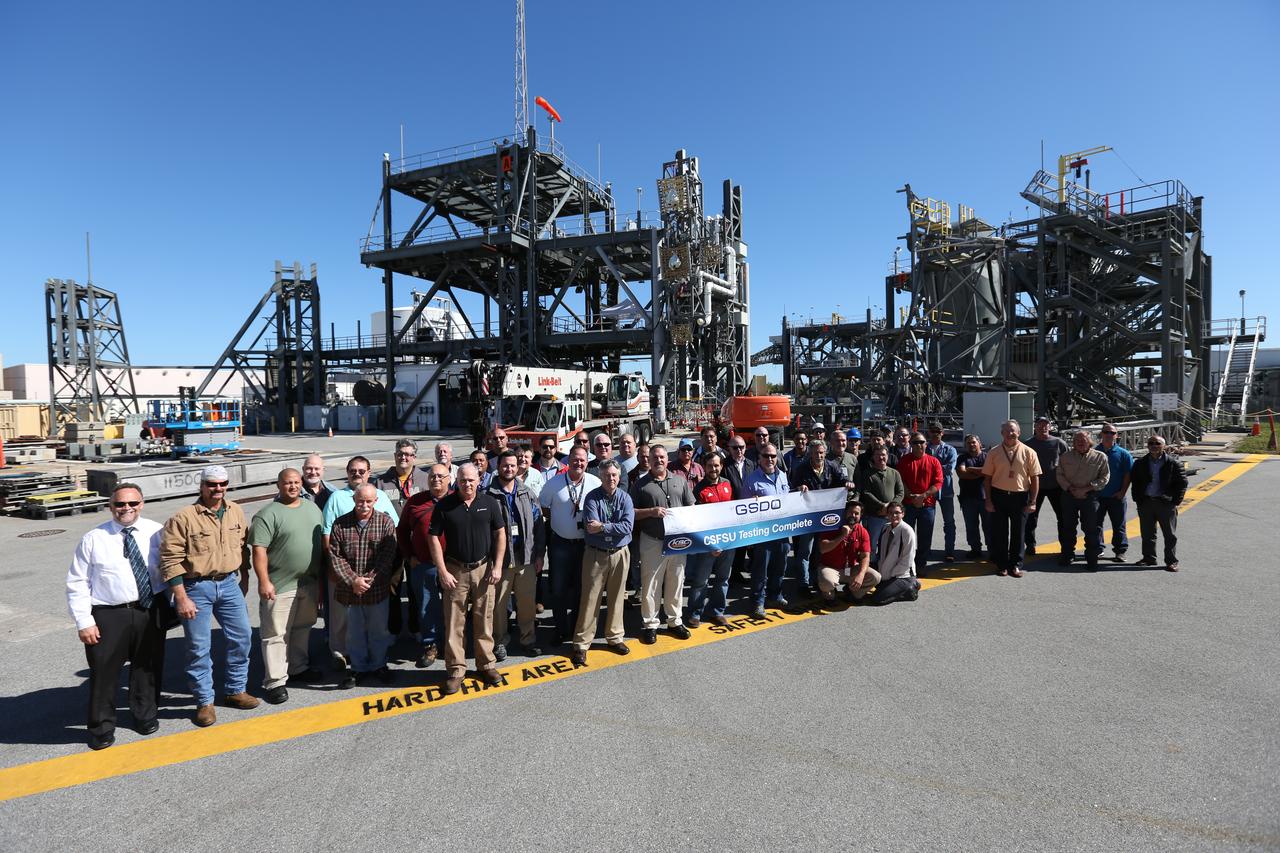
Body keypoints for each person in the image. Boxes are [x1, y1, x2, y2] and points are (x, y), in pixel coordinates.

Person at [67, 482, 169, 749]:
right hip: (108, 615)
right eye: (120, 504)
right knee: (104, 673)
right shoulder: (94, 538)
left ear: (142, 504)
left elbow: (170, 568)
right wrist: (84, 621)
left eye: (132, 503)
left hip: (149, 608)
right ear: (110, 506)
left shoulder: (156, 532)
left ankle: (145, 714)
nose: (126, 508)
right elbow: (77, 582)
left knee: (147, 668)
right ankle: (101, 727)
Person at [160, 465, 257, 727]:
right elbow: (170, 560)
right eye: (212, 484)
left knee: (243, 637)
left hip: (228, 584)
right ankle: (205, 702)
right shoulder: (184, 518)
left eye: (222, 484)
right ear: (201, 486)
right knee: (198, 647)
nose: (218, 489)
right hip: (196, 588)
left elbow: (243, 548)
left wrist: (245, 578)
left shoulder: (235, 511)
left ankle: (236, 690)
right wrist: (180, 596)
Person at [427, 464, 507, 694]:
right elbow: (433, 537)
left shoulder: (489, 503)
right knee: (454, 622)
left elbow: (500, 533)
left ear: (479, 479)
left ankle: (486, 664)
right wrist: (442, 571)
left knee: (484, 618)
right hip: (456, 570)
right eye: (463, 480)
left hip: (484, 569)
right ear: (456, 480)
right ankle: (455, 670)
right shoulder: (445, 505)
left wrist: (498, 566)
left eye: (471, 480)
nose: (467, 484)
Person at [249, 468, 323, 705]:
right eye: (287, 483)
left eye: (295, 482)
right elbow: (258, 550)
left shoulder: (312, 508)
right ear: (278, 485)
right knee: (275, 634)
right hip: (280, 585)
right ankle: (275, 681)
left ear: (301, 483)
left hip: (308, 582)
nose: (292, 486)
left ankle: (298, 668)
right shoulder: (267, 514)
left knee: (303, 627)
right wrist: (264, 581)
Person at [321, 456, 399, 669]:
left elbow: (388, 553)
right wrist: (353, 580)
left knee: (378, 630)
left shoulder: (385, 522)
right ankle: (358, 667)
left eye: (368, 501)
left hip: (377, 587)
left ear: (376, 501)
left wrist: (369, 579)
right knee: (353, 632)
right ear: (354, 500)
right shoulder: (340, 524)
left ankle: (379, 664)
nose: (364, 505)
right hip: (350, 589)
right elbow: (335, 555)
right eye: (360, 501)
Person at [572, 459, 634, 664]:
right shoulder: (591, 498)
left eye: (614, 475)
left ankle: (615, 637)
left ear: (619, 476)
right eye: (607, 475)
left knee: (617, 597)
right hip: (596, 555)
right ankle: (581, 644)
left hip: (620, 553)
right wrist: (608, 527)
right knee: (590, 598)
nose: (611, 479)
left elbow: (627, 527)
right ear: (601, 476)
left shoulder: (625, 498)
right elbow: (590, 526)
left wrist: (604, 527)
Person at [632, 444, 696, 643]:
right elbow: (630, 512)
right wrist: (650, 512)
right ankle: (650, 624)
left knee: (676, 582)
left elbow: (691, 507)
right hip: (652, 541)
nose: (658, 460)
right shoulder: (640, 484)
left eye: (662, 457)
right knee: (651, 584)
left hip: (678, 542)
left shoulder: (680, 480)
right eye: (654, 458)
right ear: (648, 461)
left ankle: (674, 621)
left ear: (667, 459)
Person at [486, 450, 546, 660]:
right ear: (498, 467)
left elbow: (539, 526)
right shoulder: (487, 495)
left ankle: (528, 639)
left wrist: (540, 554)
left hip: (526, 559)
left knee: (527, 603)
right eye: (505, 465)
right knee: (499, 606)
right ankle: (500, 642)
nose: (509, 469)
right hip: (500, 562)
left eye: (513, 465)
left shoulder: (527, 493)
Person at [539, 446, 601, 644]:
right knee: (558, 588)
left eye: (582, 460)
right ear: (568, 460)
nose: (579, 463)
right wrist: (560, 521)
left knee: (581, 588)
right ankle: (560, 628)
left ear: (587, 462)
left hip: (585, 545)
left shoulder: (595, 482)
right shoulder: (554, 483)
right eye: (575, 459)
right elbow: (544, 506)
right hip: (560, 544)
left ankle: (576, 626)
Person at [397, 463, 451, 669]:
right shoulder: (415, 502)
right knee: (427, 607)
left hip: (451, 565)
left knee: (452, 606)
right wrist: (409, 556)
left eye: (440, 476)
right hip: (423, 565)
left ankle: (451, 643)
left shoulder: (457, 499)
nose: (436, 479)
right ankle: (431, 645)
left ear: (449, 479)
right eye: (432, 476)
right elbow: (402, 532)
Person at [375, 439, 431, 638]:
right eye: (400, 453)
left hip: (417, 543)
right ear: (395, 455)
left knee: (417, 587)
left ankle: (416, 627)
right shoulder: (381, 481)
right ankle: (393, 629)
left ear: (414, 457)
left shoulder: (425, 479)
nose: (404, 457)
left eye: (408, 454)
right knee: (392, 587)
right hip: (391, 543)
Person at [787, 438, 850, 598]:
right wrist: (798, 488)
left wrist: (848, 483)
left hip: (826, 518)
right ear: (810, 453)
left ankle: (817, 580)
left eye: (821, 453)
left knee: (820, 551)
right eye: (815, 453)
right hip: (807, 518)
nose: (819, 456)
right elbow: (791, 490)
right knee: (804, 551)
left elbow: (842, 481)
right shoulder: (801, 469)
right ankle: (803, 583)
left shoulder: (832, 466)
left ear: (825, 453)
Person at [981, 420, 1042, 578]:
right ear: (1002, 434)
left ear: (1019, 433)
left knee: (1018, 533)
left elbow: (1035, 478)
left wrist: (1033, 501)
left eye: (1013, 431)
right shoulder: (994, 452)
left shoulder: (1029, 452)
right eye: (1007, 431)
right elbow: (987, 478)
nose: (1010, 434)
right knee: (999, 533)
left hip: (1020, 497)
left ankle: (1015, 565)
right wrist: (988, 500)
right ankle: (1002, 565)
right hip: (998, 495)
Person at [686, 454, 736, 627]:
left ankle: (717, 611)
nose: (713, 469)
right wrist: (710, 544)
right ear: (704, 467)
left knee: (723, 579)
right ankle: (695, 613)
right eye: (709, 466)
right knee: (701, 581)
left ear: (721, 466)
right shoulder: (698, 490)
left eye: (716, 465)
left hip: (728, 541)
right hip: (707, 544)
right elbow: (697, 521)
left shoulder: (727, 484)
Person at [742, 443, 790, 618]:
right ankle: (757, 601)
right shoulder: (751, 479)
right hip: (762, 533)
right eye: (766, 456)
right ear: (759, 459)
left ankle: (775, 596)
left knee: (780, 566)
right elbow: (743, 510)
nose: (769, 459)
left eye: (773, 456)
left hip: (783, 530)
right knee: (760, 569)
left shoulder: (783, 476)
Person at [1129, 435, 1187, 571]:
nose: (1154, 445)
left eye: (1157, 443)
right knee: (1147, 533)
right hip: (1146, 502)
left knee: (1170, 535)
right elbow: (1135, 482)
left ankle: (1171, 561)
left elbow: (1182, 483)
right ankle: (1149, 558)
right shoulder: (1140, 463)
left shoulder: (1173, 463)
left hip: (1165, 503)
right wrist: (1138, 499)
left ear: (1164, 446)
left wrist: (1175, 500)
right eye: (1151, 443)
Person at [1055, 429, 1110, 571]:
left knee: (1091, 529)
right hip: (1069, 496)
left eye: (1083, 440)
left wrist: (1087, 489)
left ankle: (1092, 559)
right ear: (1073, 443)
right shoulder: (1065, 457)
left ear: (1089, 442)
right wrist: (1070, 489)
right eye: (1077, 441)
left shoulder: (1100, 457)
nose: (1080, 443)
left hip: (1090, 497)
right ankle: (1067, 555)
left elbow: (1104, 477)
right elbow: (1060, 474)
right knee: (1067, 528)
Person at [897, 432, 944, 576]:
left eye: (921, 442)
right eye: (915, 442)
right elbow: (900, 480)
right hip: (908, 505)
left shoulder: (933, 461)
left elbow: (938, 483)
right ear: (911, 445)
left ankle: (921, 564)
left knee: (925, 537)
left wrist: (923, 496)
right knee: (906, 537)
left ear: (926, 444)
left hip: (927, 505)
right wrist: (911, 496)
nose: (919, 445)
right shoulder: (904, 461)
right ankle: (906, 565)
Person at [815, 500, 877, 606]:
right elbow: (823, 549)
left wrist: (861, 575)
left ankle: (853, 593)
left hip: (850, 568)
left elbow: (865, 556)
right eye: (850, 512)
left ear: (861, 515)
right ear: (845, 513)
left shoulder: (862, 531)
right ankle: (829, 596)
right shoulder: (832, 525)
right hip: (831, 567)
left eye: (856, 513)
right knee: (827, 582)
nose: (853, 515)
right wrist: (842, 535)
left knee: (875, 577)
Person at [1024, 417, 1068, 558]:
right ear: (1035, 427)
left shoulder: (1059, 443)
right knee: (1031, 518)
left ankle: (1065, 545)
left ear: (1050, 427)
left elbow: (1068, 462)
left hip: (1056, 486)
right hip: (1035, 487)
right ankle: (1030, 545)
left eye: (1046, 425)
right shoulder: (1028, 444)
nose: (1043, 427)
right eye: (1040, 425)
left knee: (1062, 517)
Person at [856, 447, 905, 560]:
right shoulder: (868, 474)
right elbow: (866, 493)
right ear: (873, 457)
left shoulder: (894, 473)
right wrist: (881, 505)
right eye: (877, 455)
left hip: (892, 516)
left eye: (883, 454)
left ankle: (888, 566)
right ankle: (872, 566)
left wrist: (890, 507)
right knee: (872, 544)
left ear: (887, 456)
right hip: (875, 516)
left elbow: (900, 492)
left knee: (892, 544)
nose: (881, 457)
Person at [1095, 423, 1135, 561]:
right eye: (1106, 432)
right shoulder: (1094, 452)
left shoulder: (1123, 454)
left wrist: (1123, 492)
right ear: (1101, 434)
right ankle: (1098, 548)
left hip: (1116, 496)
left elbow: (1128, 474)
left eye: (1112, 433)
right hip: (1097, 496)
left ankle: (1120, 550)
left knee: (1119, 525)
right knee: (1095, 524)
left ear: (1116, 435)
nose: (1109, 435)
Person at [869, 503, 920, 605]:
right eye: (890, 513)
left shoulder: (907, 531)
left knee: (877, 599)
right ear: (887, 514)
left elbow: (907, 560)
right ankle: (888, 586)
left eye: (897, 513)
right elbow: (882, 554)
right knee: (871, 591)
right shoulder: (885, 528)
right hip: (886, 574)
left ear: (903, 514)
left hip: (902, 576)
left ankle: (910, 588)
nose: (893, 516)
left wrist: (889, 576)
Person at [925, 425, 958, 562]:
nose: (935, 434)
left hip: (945, 491)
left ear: (942, 433)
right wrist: (938, 467)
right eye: (932, 432)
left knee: (949, 522)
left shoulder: (950, 449)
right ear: (929, 432)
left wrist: (930, 467)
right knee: (927, 522)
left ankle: (949, 551)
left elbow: (950, 468)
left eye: (938, 432)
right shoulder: (924, 448)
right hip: (928, 491)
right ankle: (925, 551)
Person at [955, 435, 992, 559]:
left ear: (979, 443)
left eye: (973, 442)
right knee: (971, 526)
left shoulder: (987, 456)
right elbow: (962, 474)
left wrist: (971, 469)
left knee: (989, 526)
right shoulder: (962, 458)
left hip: (986, 498)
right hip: (968, 498)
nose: (971, 445)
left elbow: (990, 471)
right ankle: (975, 549)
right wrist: (982, 473)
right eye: (968, 443)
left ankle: (992, 549)